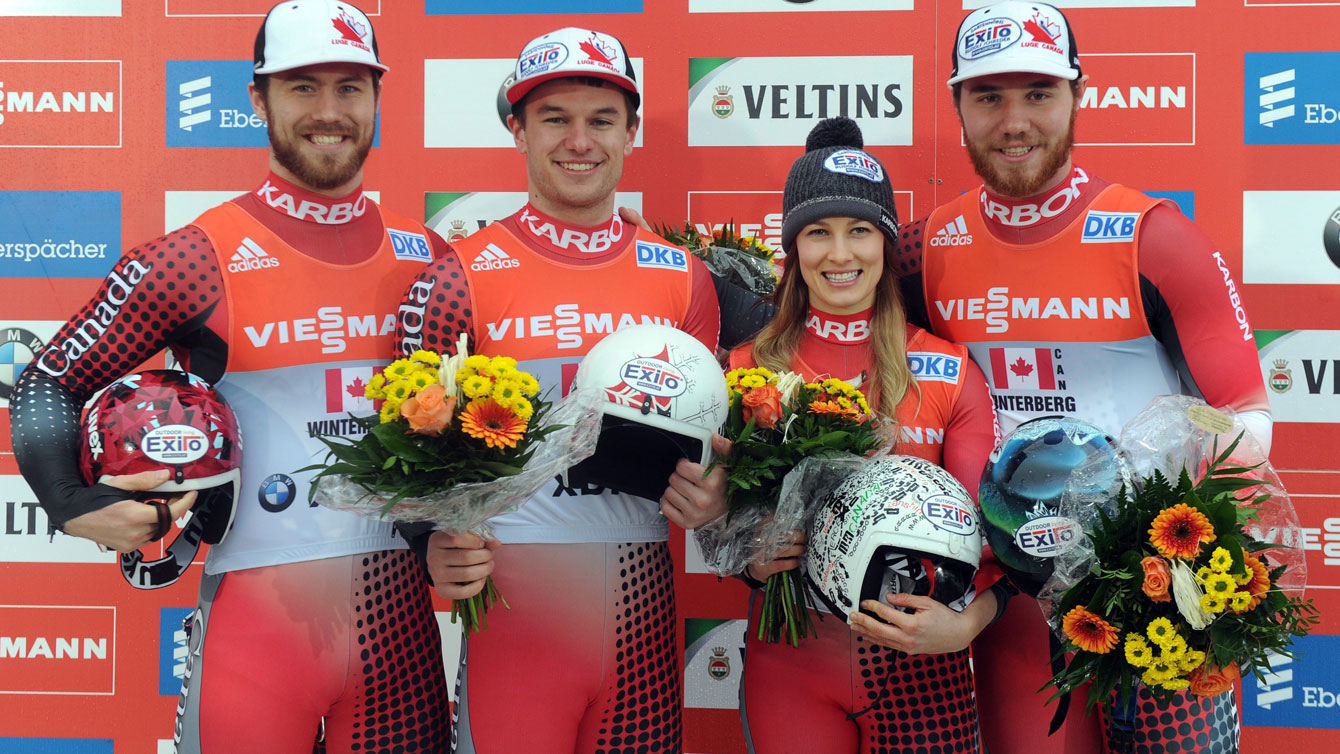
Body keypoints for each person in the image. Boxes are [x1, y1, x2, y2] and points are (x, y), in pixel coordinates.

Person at [8, 2, 452, 751]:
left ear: (378, 98)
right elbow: (46, 380)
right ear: (258, 98)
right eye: (302, 87)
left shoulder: (431, 260)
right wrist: (66, 500)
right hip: (256, 633)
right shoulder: (192, 259)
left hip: (398, 639)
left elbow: (457, 451)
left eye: (350, 87)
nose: (329, 112)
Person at [894, 3, 1274, 752]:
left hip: (1161, 594)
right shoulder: (926, 249)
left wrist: (1169, 477)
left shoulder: (1151, 235)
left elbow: (1249, 416)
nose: (1014, 121)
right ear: (958, 106)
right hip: (1014, 603)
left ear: (1078, 93)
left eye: (1039, 93)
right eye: (989, 97)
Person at [392, 27, 725, 754]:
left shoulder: (684, 278)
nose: (581, 140)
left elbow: (716, 450)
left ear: (632, 131)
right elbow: (404, 454)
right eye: (555, 118)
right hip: (514, 626)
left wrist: (718, 493)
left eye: (602, 119)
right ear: (517, 129)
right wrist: (428, 541)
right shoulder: (459, 275)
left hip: (641, 632)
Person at [727, 117, 1004, 753]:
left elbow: (994, 544)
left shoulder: (949, 371)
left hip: (920, 675)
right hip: (790, 663)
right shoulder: (748, 372)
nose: (841, 253)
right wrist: (749, 560)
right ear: (793, 248)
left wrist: (969, 624)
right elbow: (718, 521)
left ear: (886, 243)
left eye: (860, 231)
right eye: (818, 233)